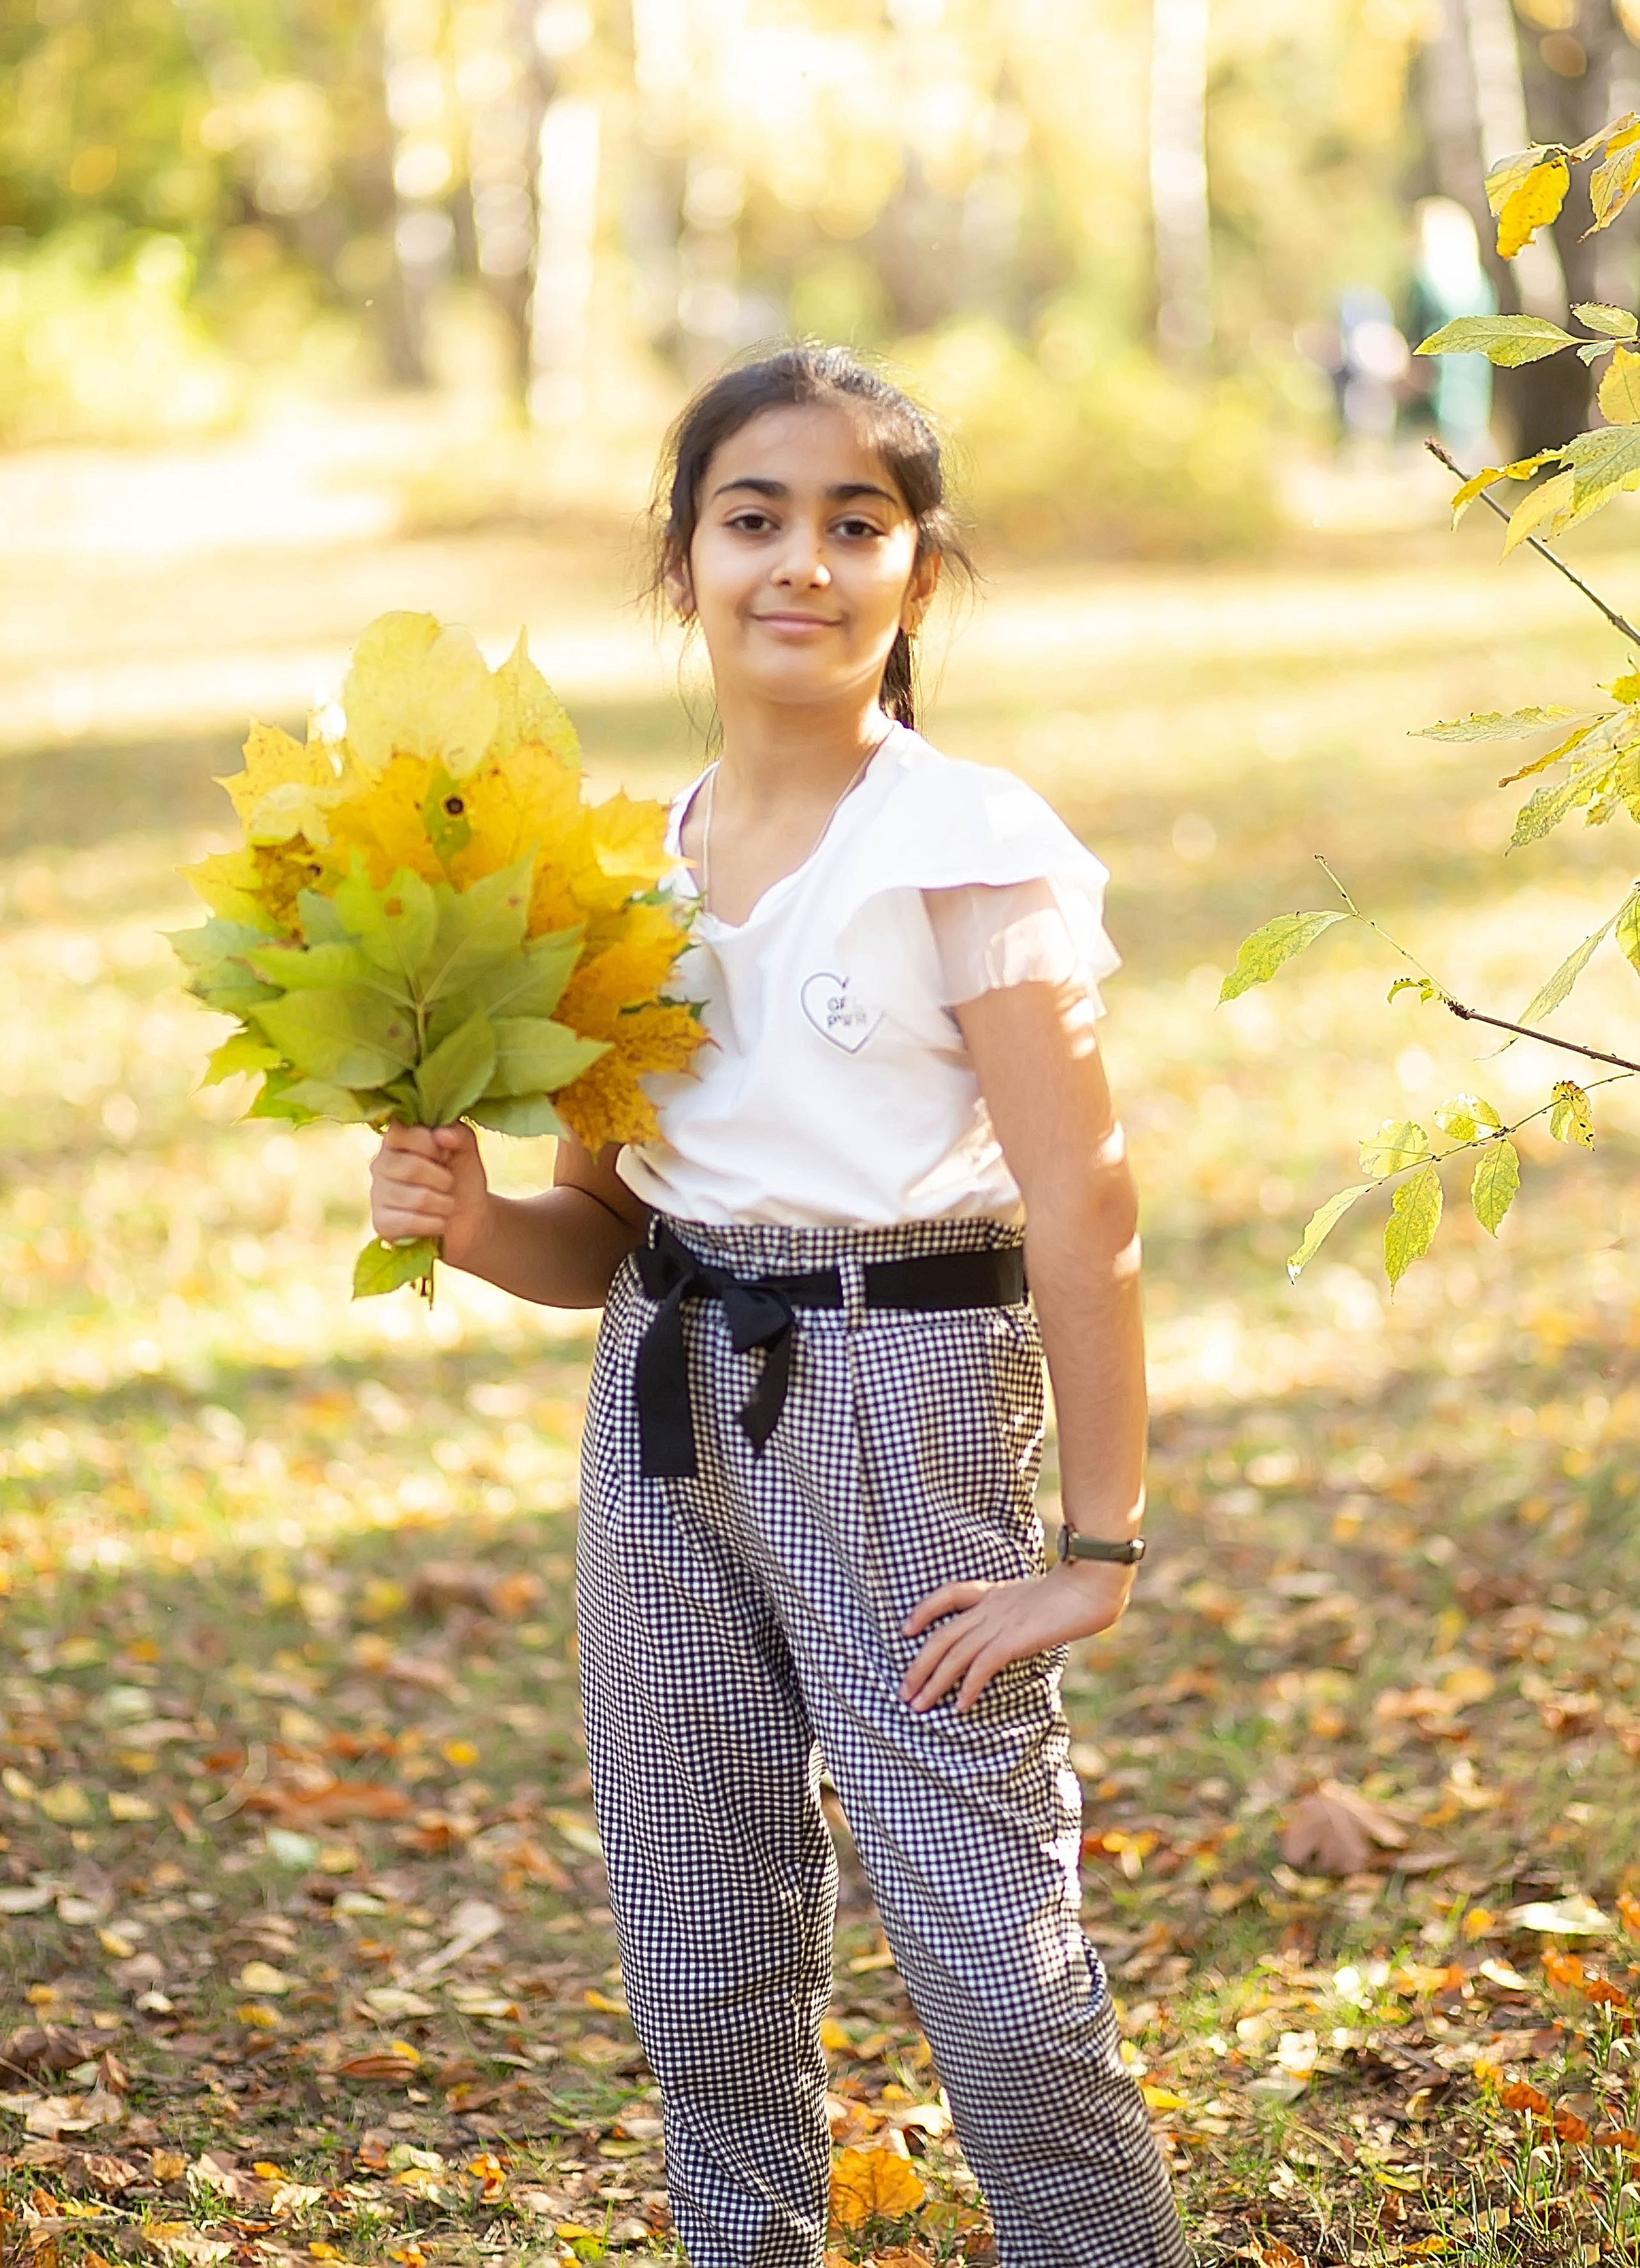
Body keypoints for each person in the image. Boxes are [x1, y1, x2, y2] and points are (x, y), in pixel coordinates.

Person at [368, 344, 1188, 2268]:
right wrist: (472, 1222)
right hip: (664, 1400)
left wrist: (1096, 1547)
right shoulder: (620, 884)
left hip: (906, 1392)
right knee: (699, 1928)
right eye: (754, 520)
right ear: (684, 564)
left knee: (988, 1942)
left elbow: (1085, 1202)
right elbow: (604, 1228)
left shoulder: (961, 845)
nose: (801, 562)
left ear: (919, 570)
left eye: (855, 522)